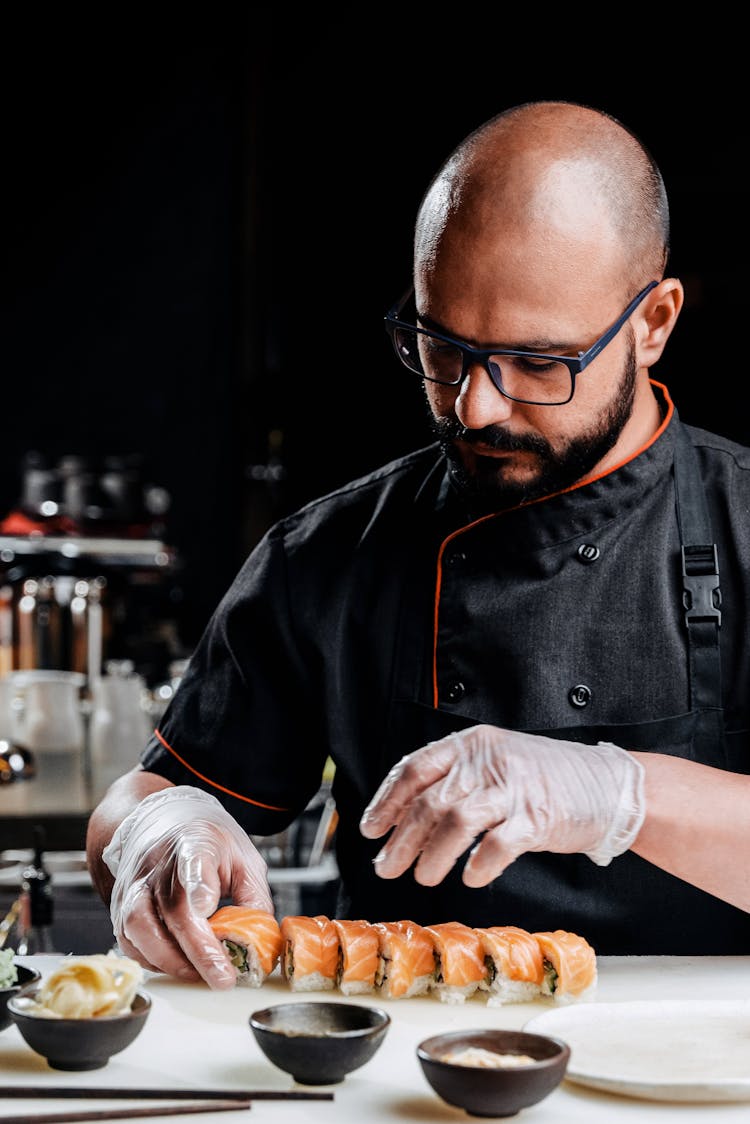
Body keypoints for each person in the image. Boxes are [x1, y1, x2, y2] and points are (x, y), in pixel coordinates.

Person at [86, 100, 750, 991]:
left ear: (654, 322)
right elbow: (151, 791)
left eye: (537, 362)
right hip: (408, 1065)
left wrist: (618, 796)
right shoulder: (327, 556)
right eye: (442, 348)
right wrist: (152, 836)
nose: (476, 406)